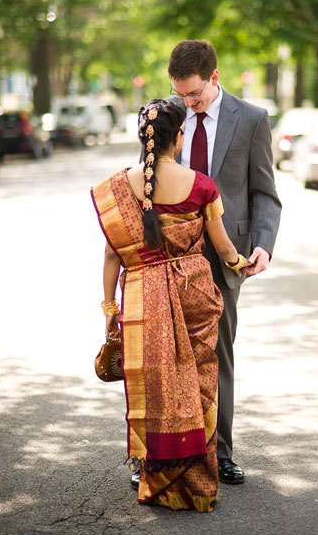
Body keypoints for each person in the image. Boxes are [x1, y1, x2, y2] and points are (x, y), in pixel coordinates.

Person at [93, 98, 248, 511]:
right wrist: (242, 264)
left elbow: (111, 257)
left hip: (142, 298)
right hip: (193, 292)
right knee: (198, 383)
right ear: (178, 138)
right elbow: (224, 247)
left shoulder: (116, 188)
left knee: (153, 383)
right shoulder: (201, 186)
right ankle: (194, 480)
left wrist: (110, 310)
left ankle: (151, 468)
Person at [167, 40, 282, 484]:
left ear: (214, 78)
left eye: (194, 94)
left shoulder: (251, 120)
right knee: (168, 354)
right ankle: (169, 453)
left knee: (218, 354)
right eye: (180, 94)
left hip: (224, 257)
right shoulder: (170, 115)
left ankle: (222, 452)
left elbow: (264, 193)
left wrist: (264, 245)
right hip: (170, 256)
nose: (188, 103)